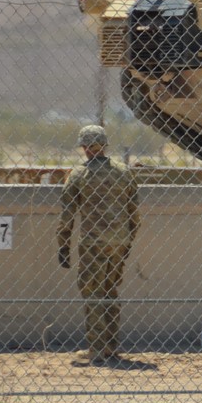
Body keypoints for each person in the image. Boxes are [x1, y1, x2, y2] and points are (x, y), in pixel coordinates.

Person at [57, 124, 140, 366]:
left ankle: (96, 350)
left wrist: (63, 246)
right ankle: (110, 347)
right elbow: (134, 213)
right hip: (119, 241)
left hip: (94, 243)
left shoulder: (79, 175)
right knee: (110, 290)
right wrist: (127, 240)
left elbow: (67, 216)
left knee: (92, 292)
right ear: (104, 146)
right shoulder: (124, 173)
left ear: (84, 147)